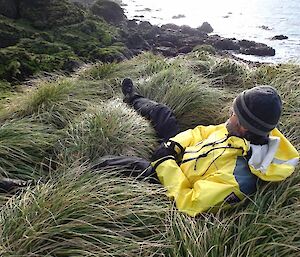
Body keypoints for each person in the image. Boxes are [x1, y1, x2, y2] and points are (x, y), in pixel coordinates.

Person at [98, 78, 299, 217]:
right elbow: (202, 132)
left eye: (233, 112)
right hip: (180, 156)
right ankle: (132, 97)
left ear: (244, 125)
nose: (229, 114)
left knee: (115, 164)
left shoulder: (239, 179)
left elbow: (190, 202)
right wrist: (174, 145)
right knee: (162, 112)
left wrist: (164, 162)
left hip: (171, 181)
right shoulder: (243, 131)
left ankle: (83, 174)